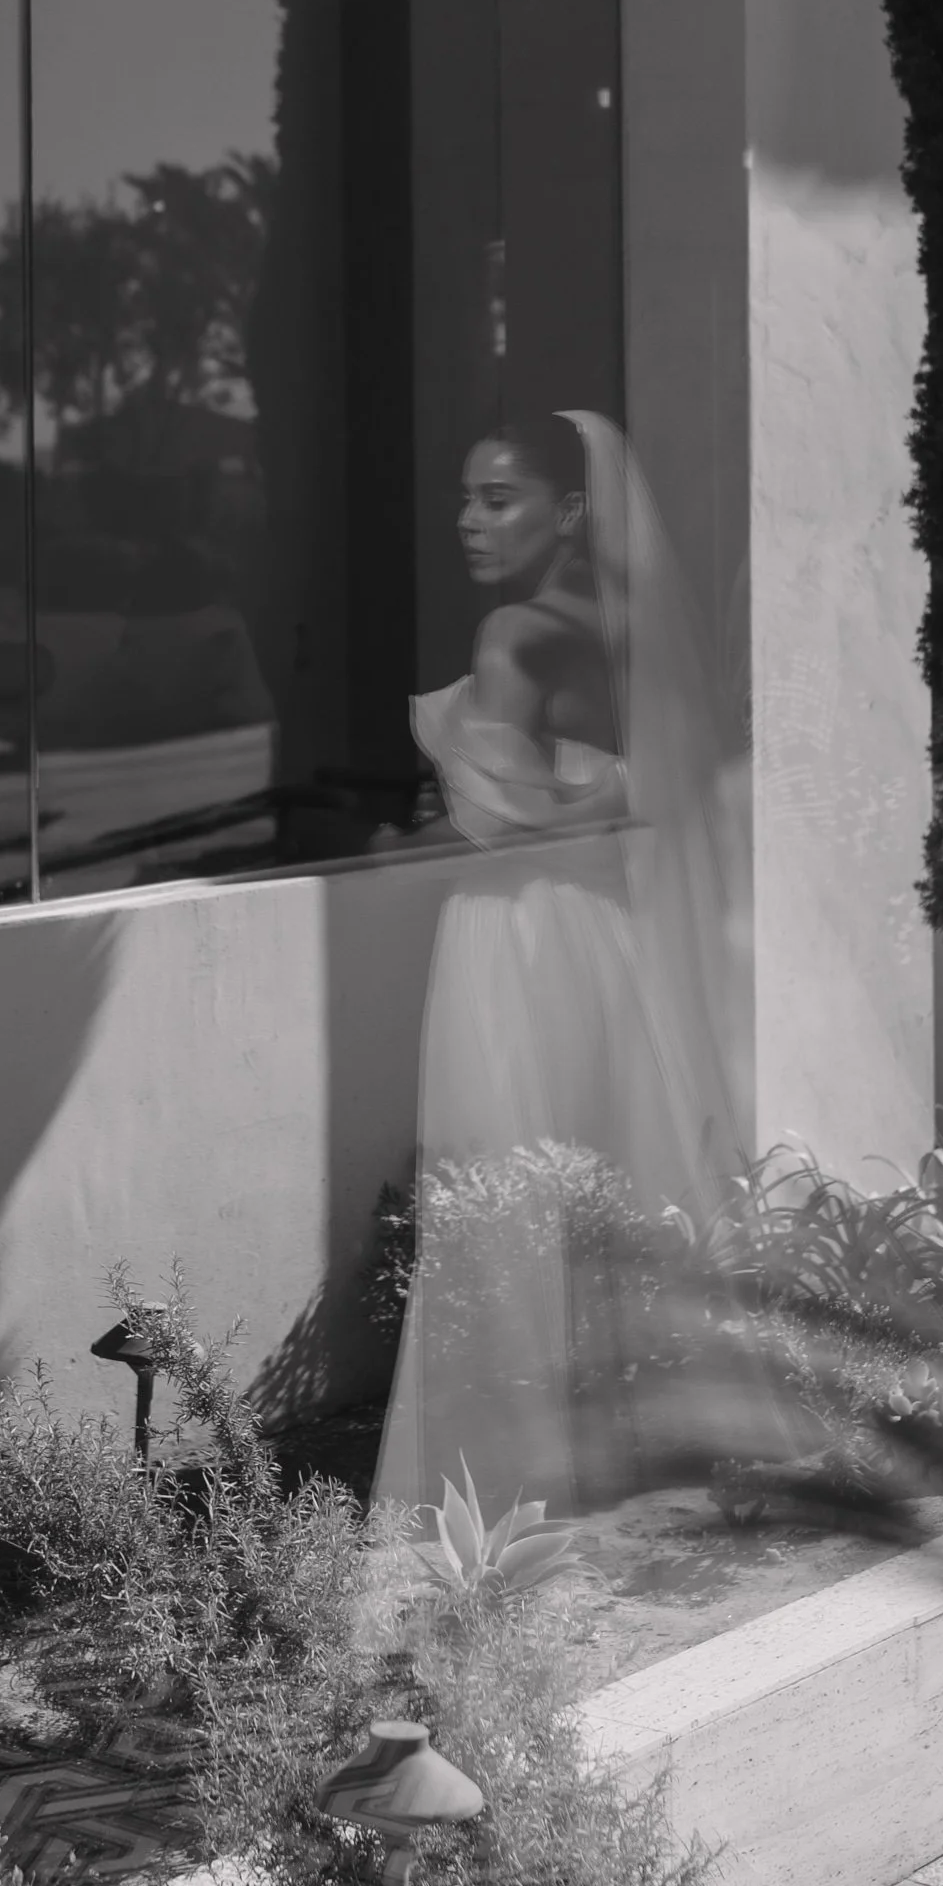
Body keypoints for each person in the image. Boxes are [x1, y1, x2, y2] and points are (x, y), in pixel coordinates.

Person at [374, 410, 750, 1518]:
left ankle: (517, 1463)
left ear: (570, 509)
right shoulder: (620, 624)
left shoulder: (513, 635)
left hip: (513, 936)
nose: (468, 519)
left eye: (498, 498)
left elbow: (490, 817)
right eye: (464, 497)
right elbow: (626, 784)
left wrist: (405, 828)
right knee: (611, 1175)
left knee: (501, 1189)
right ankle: (641, 1437)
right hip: (602, 930)